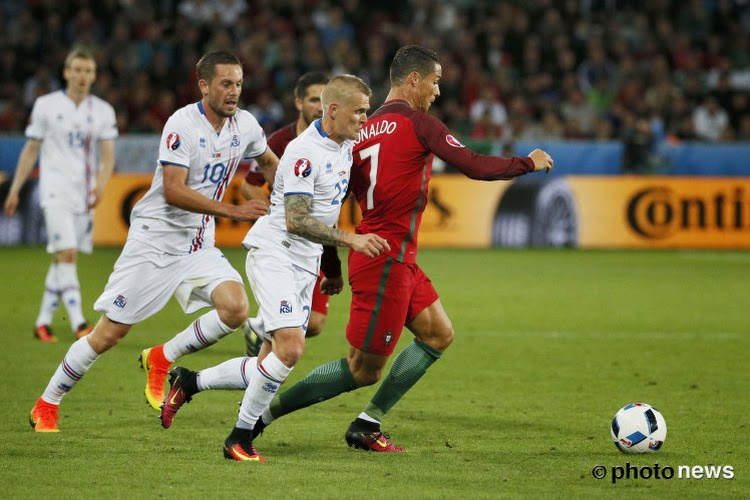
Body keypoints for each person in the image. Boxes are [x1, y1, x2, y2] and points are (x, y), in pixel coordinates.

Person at [162, 45, 553, 453]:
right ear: (414, 79)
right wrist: (527, 163)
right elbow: (472, 163)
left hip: (386, 255)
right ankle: (258, 421)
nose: (438, 91)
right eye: (435, 81)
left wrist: (331, 267)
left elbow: (329, 209)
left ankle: (365, 422)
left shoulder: (358, 137)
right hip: (380, 256)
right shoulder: (415, 124)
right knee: (359, 369)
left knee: (438, 334)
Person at [27, 50, 278, 432]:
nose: (234, 92)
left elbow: (270, 162)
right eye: (226, 83)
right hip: (155, 241)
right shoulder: (182, 125)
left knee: (236, 308)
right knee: (109, 333)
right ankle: (47, 403)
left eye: (239, 84)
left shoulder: (245, 125)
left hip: (197, 244)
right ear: (204, 85)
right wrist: (234, 211)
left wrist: (284, 198)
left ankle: (163, 356)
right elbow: (175, 191)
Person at [164, 74, 390, 462]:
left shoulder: (344, 146)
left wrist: (331, 268)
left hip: (305, 264)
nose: (364, 120)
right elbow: (296, 219)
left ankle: (191, 381)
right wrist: (350, 239)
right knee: (291, 349)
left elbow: (326, 211)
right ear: (333, 110)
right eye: (359, 112)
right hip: (277, 254)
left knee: (268, 364)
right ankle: (239, 439)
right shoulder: (306, 153)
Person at [3, 47, 117, 342]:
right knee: (66, 253)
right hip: (53, 190)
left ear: (94, 75)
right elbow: (31, 150)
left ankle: (42, 323)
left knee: (64, 260)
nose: (82, 76)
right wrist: (15, 189)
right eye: (77, 70)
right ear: (66, 72)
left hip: (84, 195)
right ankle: (80, 323)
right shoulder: (45, 105)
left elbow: (108, 157)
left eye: (88, 71)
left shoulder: (103, 111)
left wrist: (100, 187)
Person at [240, 72, 343, 357]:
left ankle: (259, 327)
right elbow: (248, 187)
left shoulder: (339, 142)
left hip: (317, 240)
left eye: (326, 100)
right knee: (290, 335)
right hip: (286, 240)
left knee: (316, 324)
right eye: (313, 99)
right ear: (298, 102)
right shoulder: (281, 142)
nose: (320, 107)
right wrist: (274, 212)